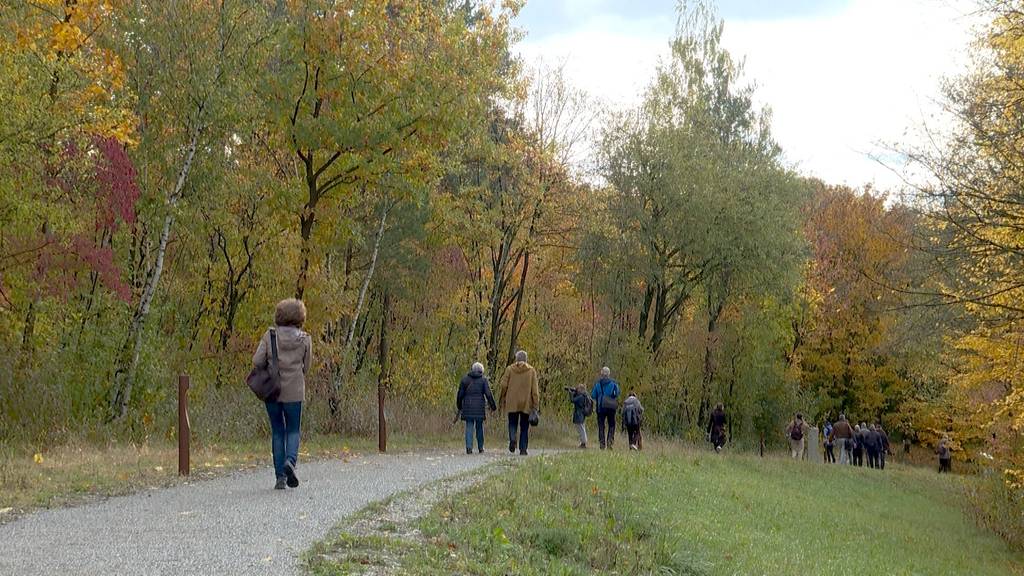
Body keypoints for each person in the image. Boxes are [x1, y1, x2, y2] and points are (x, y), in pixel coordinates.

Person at [253, 298, 312, 490]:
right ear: (300, 317)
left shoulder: (270, 336)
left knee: (278, 431)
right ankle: (290, 461)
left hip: (272, 391)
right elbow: (307, 367)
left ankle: (280, 477)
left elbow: (257, 360)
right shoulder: (305, 339)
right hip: (295, 391)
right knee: (293, 430)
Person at [499, 350, 540, 456]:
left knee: (512, 422)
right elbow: (535, 391)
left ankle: (512, 439)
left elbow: (503, 385)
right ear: (526, 359)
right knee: (524, 426)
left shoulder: (509, 369)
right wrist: (535, 405)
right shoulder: (531, 371)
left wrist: (503, 396)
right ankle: (523, 449)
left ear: (516, 359)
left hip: (512, 401)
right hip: (526, 403)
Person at [456, 362, 497, 454]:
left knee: (469, 426)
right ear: (481, 371)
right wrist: (493, 406)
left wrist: (459, 405)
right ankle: (480, 447)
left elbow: (460, 395)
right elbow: (488, 394)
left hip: (468, 406)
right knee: (479, 427)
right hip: (479, 407)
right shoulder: (483, 380)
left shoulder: (465, 380)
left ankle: (469, 447)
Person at [590, 367, 621, 450]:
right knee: (612, 425)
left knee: (601, 426)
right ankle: (610, 442)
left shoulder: (598, 384)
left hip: (600, 408)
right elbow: (617, 393)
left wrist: (599, 396)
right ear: (609, 374)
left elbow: (593, 395)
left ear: (601, 374)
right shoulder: (613, 383)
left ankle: (602, 444)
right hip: (611, 408)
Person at [567, 384, 591, 449]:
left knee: (581, 429)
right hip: (581, 414)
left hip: (579, 414)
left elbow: (573, 400)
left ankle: (584, 442)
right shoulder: (583, 396)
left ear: (581, 390)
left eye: (578, 389)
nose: (577, 389)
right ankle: (583, 442)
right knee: (581, 428)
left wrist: (570, 393)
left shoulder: (581, 397)